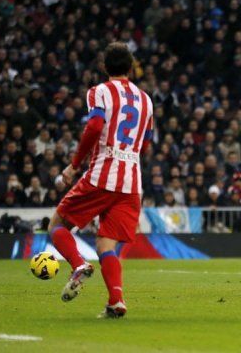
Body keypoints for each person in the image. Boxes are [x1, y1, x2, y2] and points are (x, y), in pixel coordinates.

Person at [47, 42, 154, 318]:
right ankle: (116, 301)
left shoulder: (99, 91)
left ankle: (79, 264)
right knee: (107, 244)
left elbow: (95, 125)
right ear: (131, 68)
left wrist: (73, 166)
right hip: (132, 181)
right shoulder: (146, 100)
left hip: (102, 173)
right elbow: (146, 144)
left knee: (58, 224)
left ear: (104, 67)